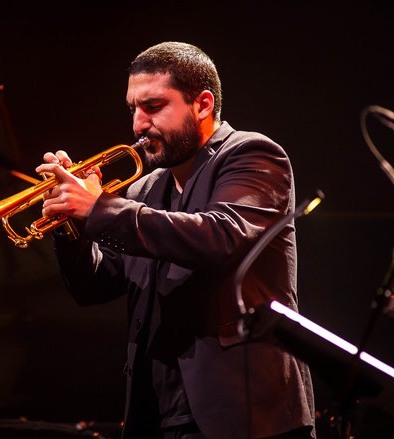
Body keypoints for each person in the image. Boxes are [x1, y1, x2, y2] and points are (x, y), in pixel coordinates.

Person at [35, 42, 316, 439]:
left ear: (202, 104)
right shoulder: (144, 189)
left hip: (244, 411)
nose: (137, 124)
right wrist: (73, 223)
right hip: (156, 413)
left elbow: (219, 236)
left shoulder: (252, 154)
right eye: (133, 108)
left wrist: (99, 207)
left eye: (153, 107)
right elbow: (94, 287)